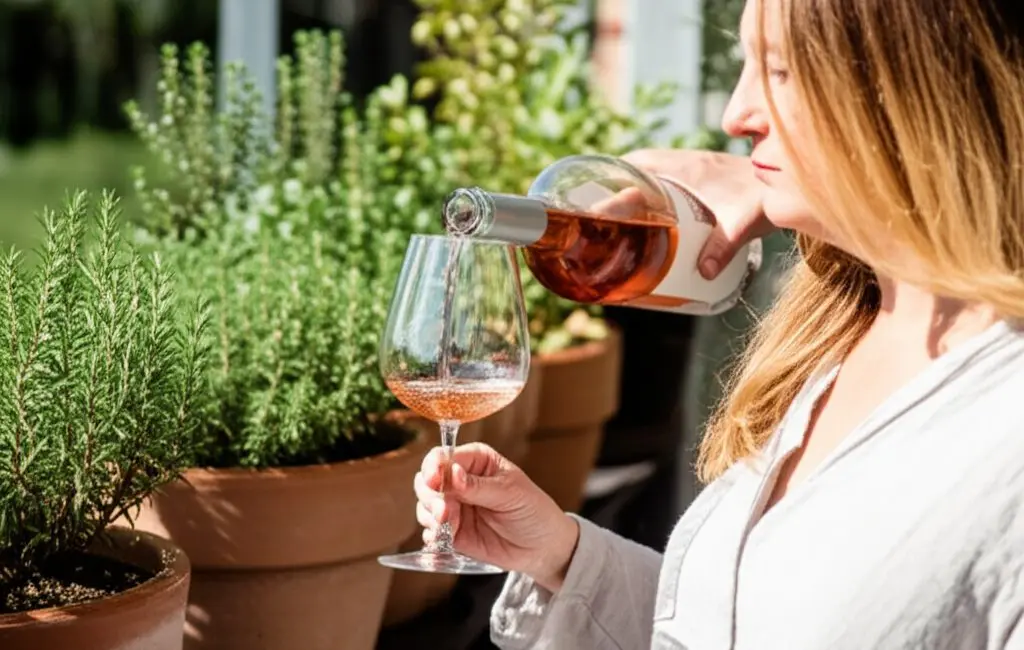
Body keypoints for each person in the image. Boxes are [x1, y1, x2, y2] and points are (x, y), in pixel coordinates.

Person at [415, 0, 1024, 647]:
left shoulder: (999, 426)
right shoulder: (845, 325)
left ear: (915, 88)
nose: (737, 115)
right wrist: (566, 560)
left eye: (782, 72)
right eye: (745, 65)